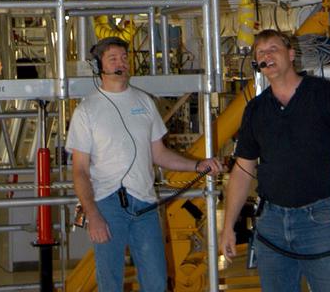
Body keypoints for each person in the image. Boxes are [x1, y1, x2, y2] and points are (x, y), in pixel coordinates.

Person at [219, 30, 330, 292]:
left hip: (316, 221)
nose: (267, 56)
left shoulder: (327, 95)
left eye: (273, 49)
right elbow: (242, 170)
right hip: (270, 223)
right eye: (261, 53)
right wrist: (228, 226)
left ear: (290, 54)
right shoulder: (255, 110)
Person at [67, 36, 222, 292]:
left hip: (145, 203)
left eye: (125, 58)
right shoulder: (87, 110)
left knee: (156, 281)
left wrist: (198, 166)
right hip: (107, 204)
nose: (121, 63)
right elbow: (80, 170)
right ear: (99, 67)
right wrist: (92, 214)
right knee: (110, 282)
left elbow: (159, 154)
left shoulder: (144, 102)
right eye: (113, 58)